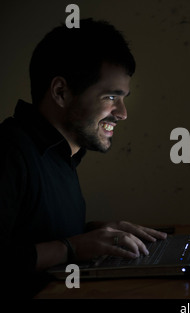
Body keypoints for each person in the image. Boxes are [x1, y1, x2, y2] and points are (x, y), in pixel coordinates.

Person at [0, 18, 167, 298]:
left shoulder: (62, 155)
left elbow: (30, 235)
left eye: (123, 97)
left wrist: (96, 235)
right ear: (61, 92)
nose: (123, 113)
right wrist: (72, 247)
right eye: (110, 97)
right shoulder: (8, 152)